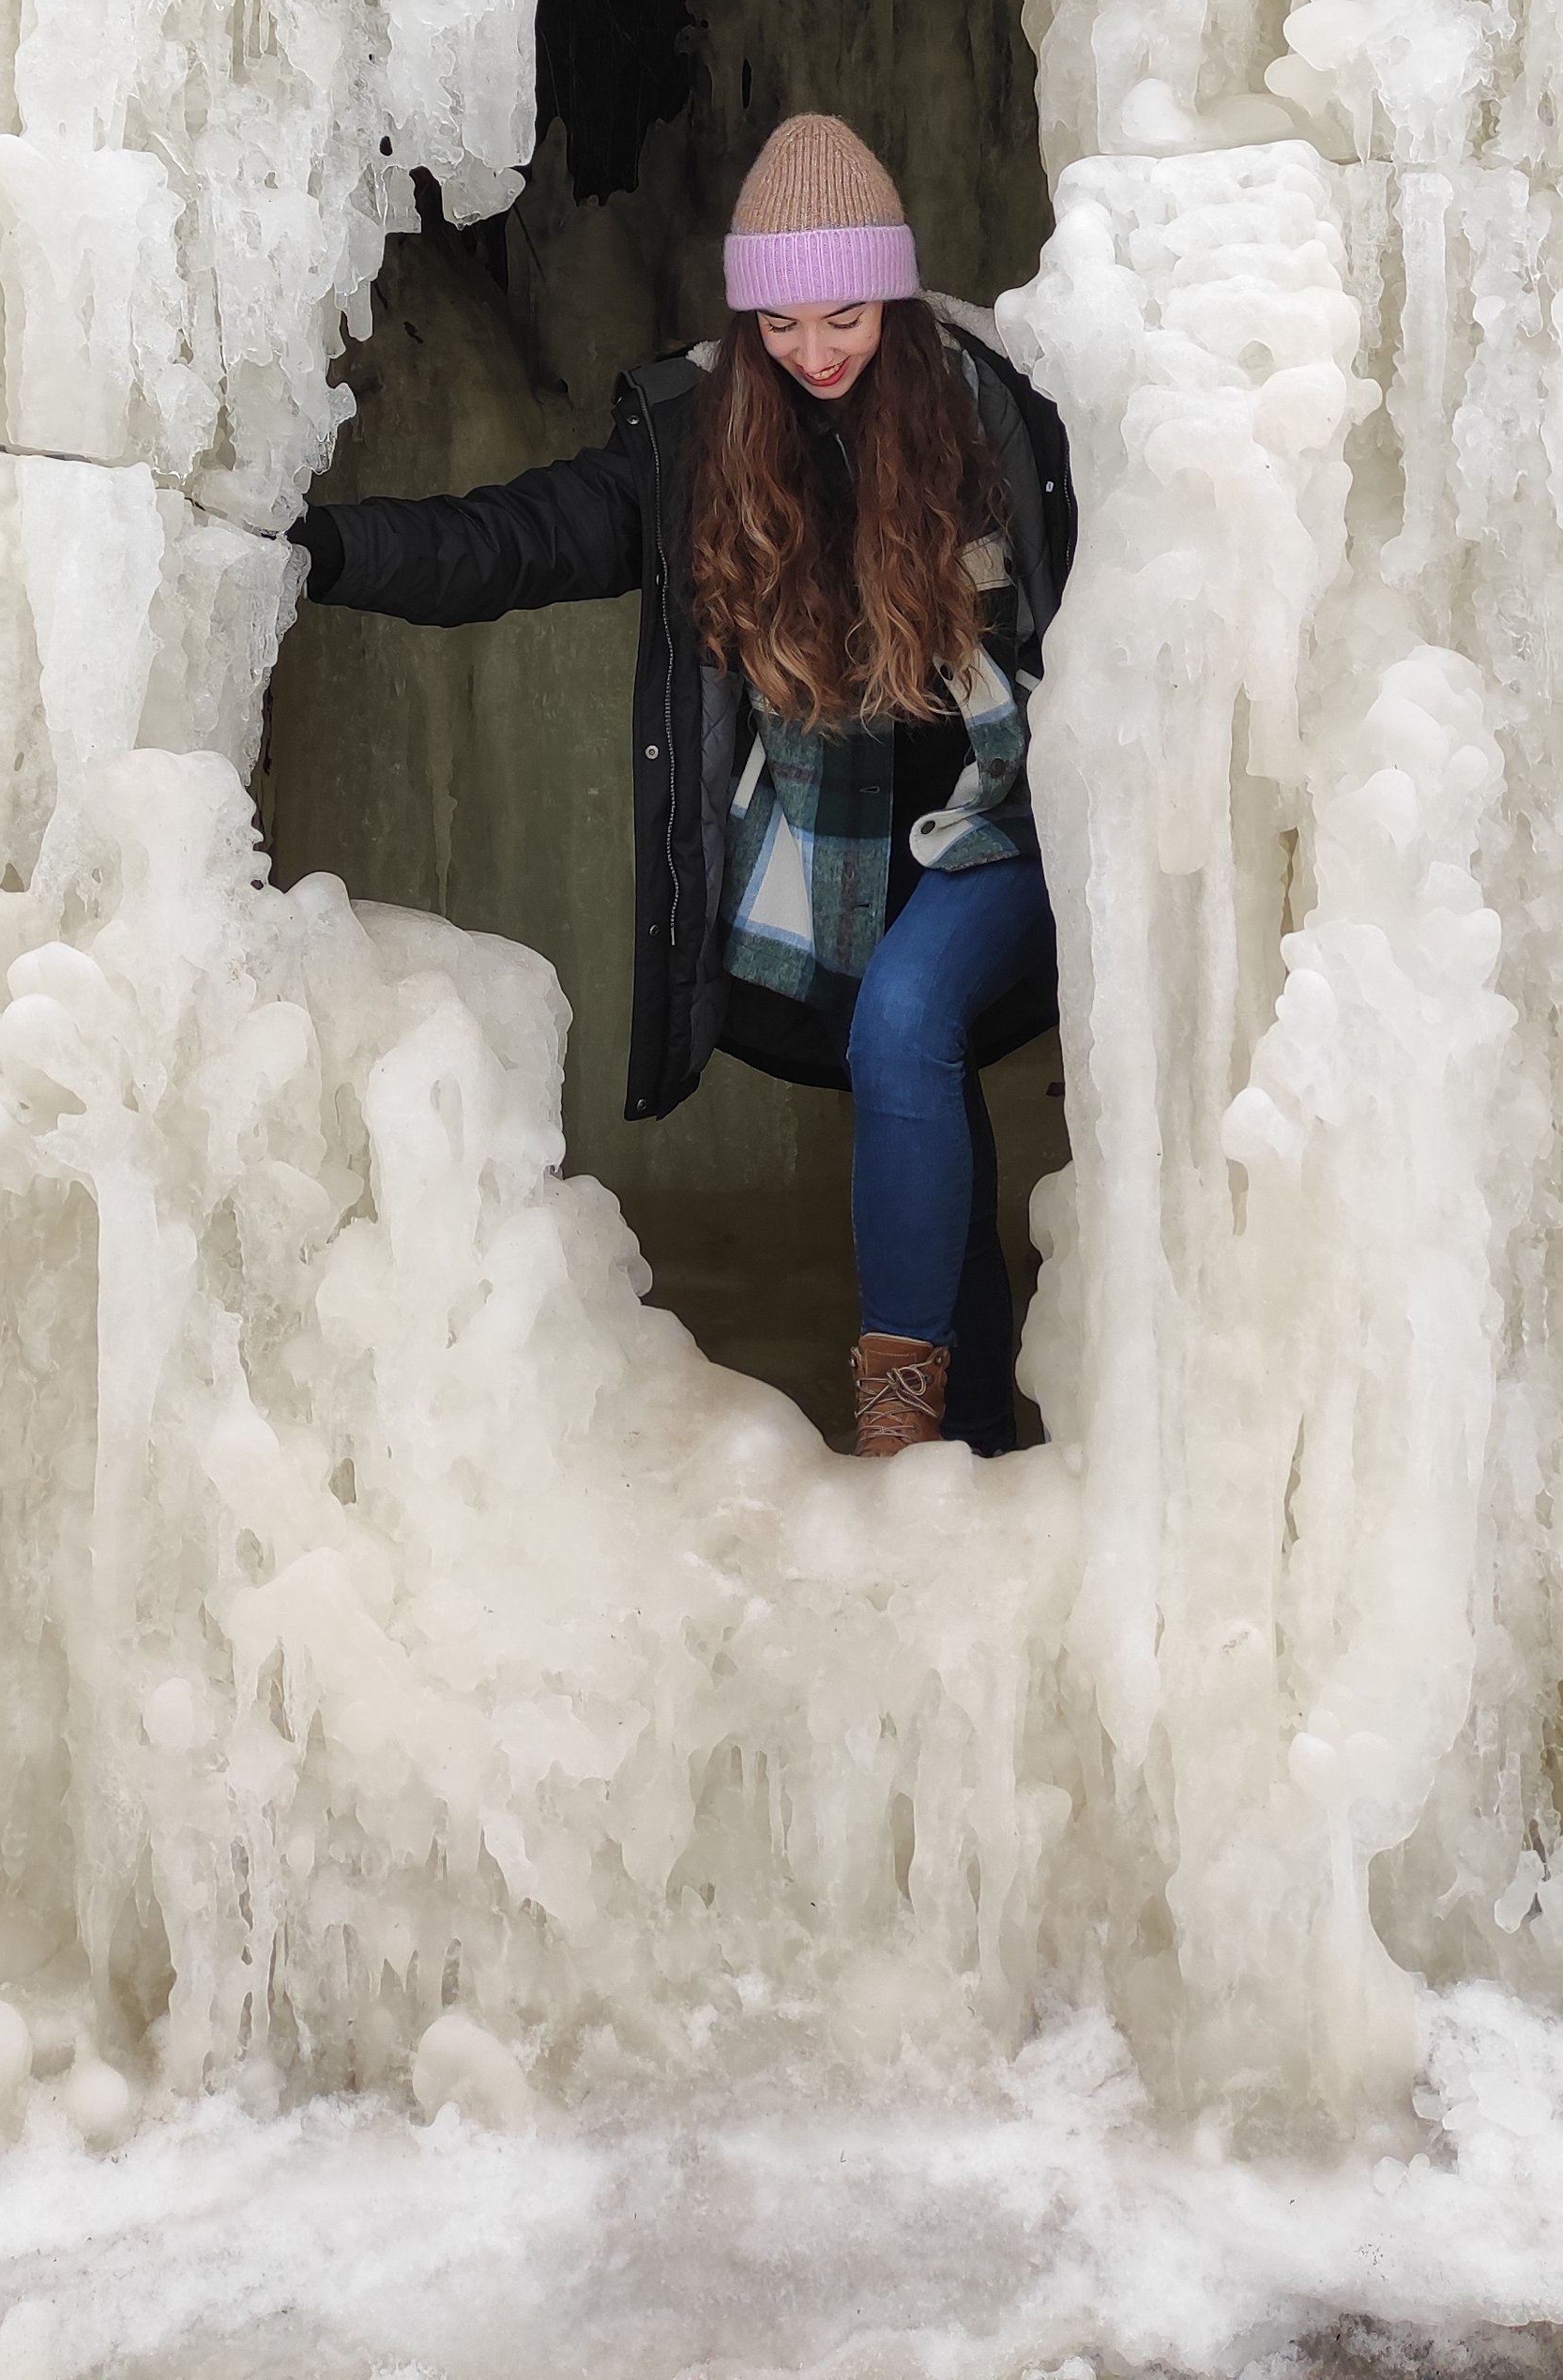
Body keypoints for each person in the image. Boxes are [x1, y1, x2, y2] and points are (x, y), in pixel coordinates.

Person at [286, 115, 1076, 1460]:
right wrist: (322, 550)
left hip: (1005, 815)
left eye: (844, 316)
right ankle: (978, 1434)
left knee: (903, 1023)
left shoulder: (997, 411)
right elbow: (521, 538)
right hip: (841, 848)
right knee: (914, 1064)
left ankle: (899, 1432)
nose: (815, 352)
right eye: (780, 323)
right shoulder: (698, 440)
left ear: (893, 296)